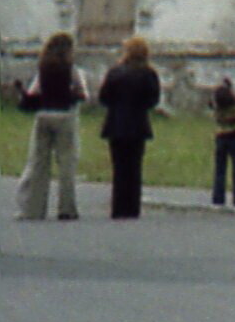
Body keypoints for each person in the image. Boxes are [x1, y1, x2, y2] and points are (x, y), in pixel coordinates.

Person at [15, 32, 83, 221]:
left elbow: (33, 91)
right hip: (64, 115)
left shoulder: (43, 68)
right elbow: (81, 91)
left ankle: (34, 209)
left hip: (43, 115)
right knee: (66, 163)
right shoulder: (71, 69)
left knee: (39, 163)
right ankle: (67, 208)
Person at [95, 34, 164, 221]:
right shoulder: (149, 74)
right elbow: (153, 100)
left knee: (119, 167)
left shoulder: (115, 72)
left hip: (116, 124)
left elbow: (103, 97)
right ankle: (132, 207)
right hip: (138, 124)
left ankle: (118, 207)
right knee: (134, 167)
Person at [207, 76, 235, 210]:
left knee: (220, 170)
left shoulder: (218, 108)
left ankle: (218, 200)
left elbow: (212, 106)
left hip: (221, 137)